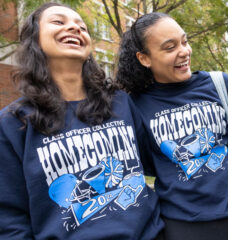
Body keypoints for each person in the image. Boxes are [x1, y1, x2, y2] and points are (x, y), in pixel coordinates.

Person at [0, 2, 164, 239]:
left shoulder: (121, 103)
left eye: (82, 27)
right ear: (34, 39)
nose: (75, 29)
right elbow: (9, 219)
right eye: (59, 22)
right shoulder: (13, 123)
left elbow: (158, 165)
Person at [116, 12, 228, 240]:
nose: (184, 51)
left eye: (184, 41)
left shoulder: (219, 85)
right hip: (181, 224)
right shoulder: (136, 105)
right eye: (169, 47)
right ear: (144, 58)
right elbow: (147, 163)